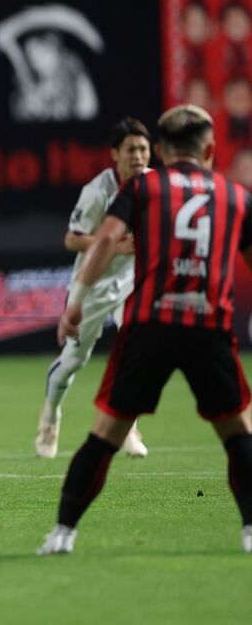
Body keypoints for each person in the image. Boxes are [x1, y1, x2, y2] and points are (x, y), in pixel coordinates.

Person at [38, 104, 252, 555]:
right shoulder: (235, 195)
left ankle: (62, 534)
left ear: (160, 151)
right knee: (238, 435)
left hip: (150, 325)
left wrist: (75, 302)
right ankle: (251, 530)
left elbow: (103, 241)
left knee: (103, 436)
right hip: (209, 325)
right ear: (210, 150)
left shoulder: (143, 187)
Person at [36, 118, 152, 459]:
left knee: (138, 354)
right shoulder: (99, 191)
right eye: (130, 149)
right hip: (93, 284)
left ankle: (128, 427)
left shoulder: (154, 184)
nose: (138, 156)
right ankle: (50, 418)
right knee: (73, 361)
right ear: (115, 154)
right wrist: (112, 245)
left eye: (143, 149)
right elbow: (72, 239)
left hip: (131, 283)